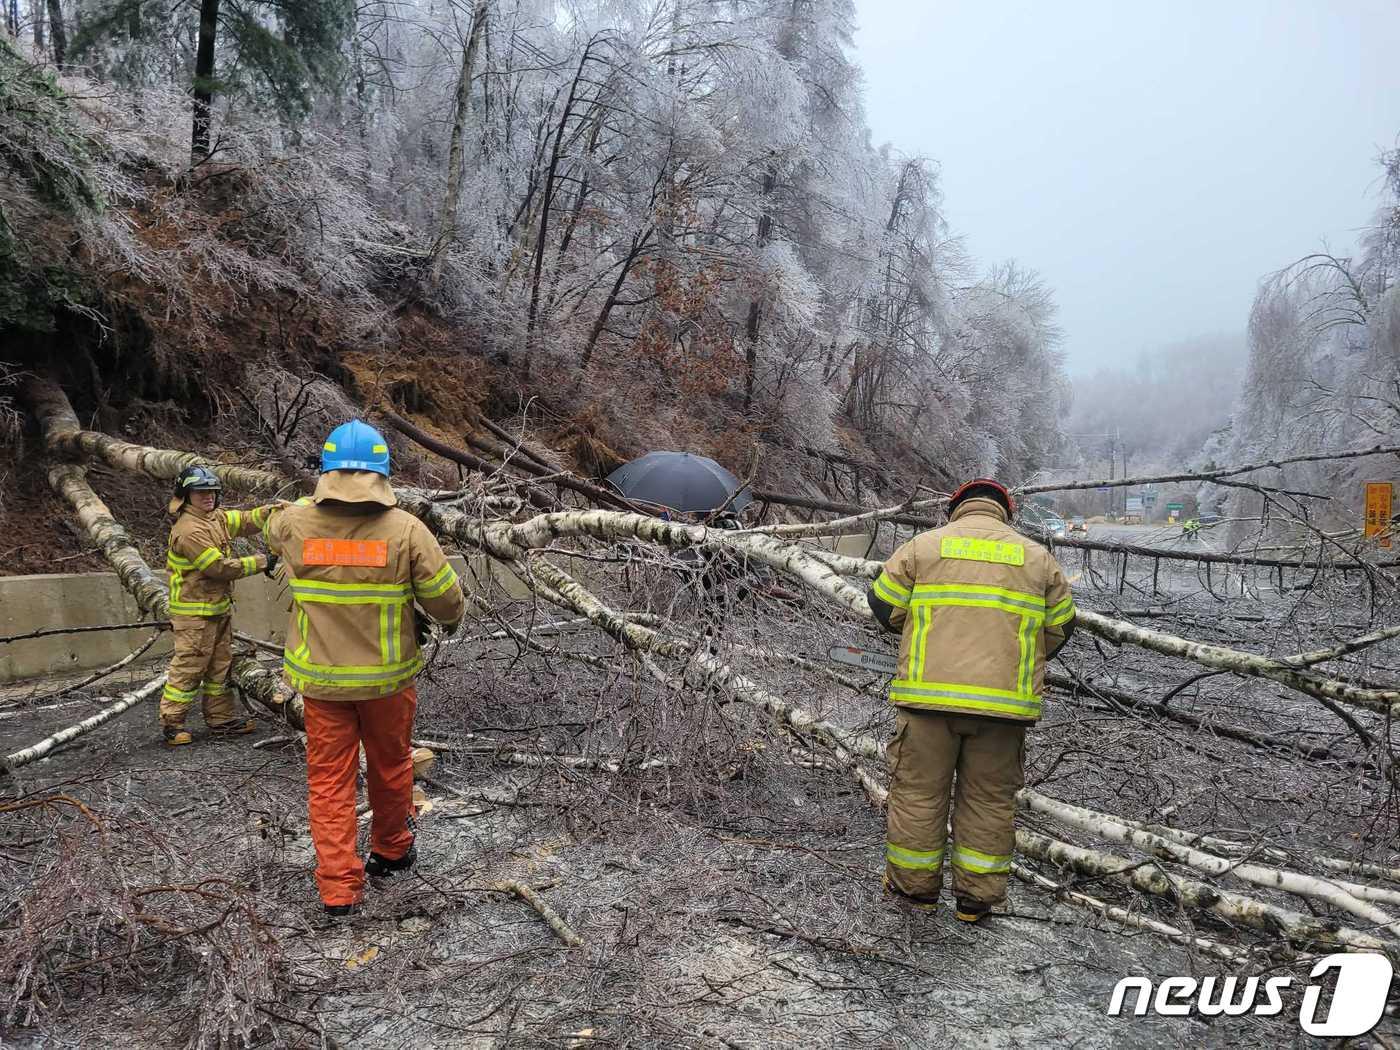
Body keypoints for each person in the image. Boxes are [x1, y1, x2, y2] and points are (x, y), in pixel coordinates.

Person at [263, 420, 465, 917]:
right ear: (381, 473)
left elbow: (268, 530)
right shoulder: (406, 531)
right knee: (390, 765)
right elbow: (447, 604)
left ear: (327, 471)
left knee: (328, 782)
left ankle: (337, 889)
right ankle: (392, 850)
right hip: (386, 682)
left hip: (323, 683)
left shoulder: (292, 523)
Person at [866, 478, 1075, 922]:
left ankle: (915, 891)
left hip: (927, 702)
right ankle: (975, 900)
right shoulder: (1038, 558)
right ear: (1007, 512)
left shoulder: (924, 546)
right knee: (989, 800)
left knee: (919, 793)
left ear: (955, 508)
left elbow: (883, 606)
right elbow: (1060, 629)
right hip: (1004, 711)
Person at [161, 466, 279, 746]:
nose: (208, 497)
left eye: (212, 492)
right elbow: (217, 567)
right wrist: (262, 561)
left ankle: (221, 719)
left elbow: (246, 520)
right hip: (195, 614)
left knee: (219, 668)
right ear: (186, 495)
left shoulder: (216, 518)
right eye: (201, 492)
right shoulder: (189, 530)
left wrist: (270, 512)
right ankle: (172, 723)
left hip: (216, 608)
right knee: (189, 668)